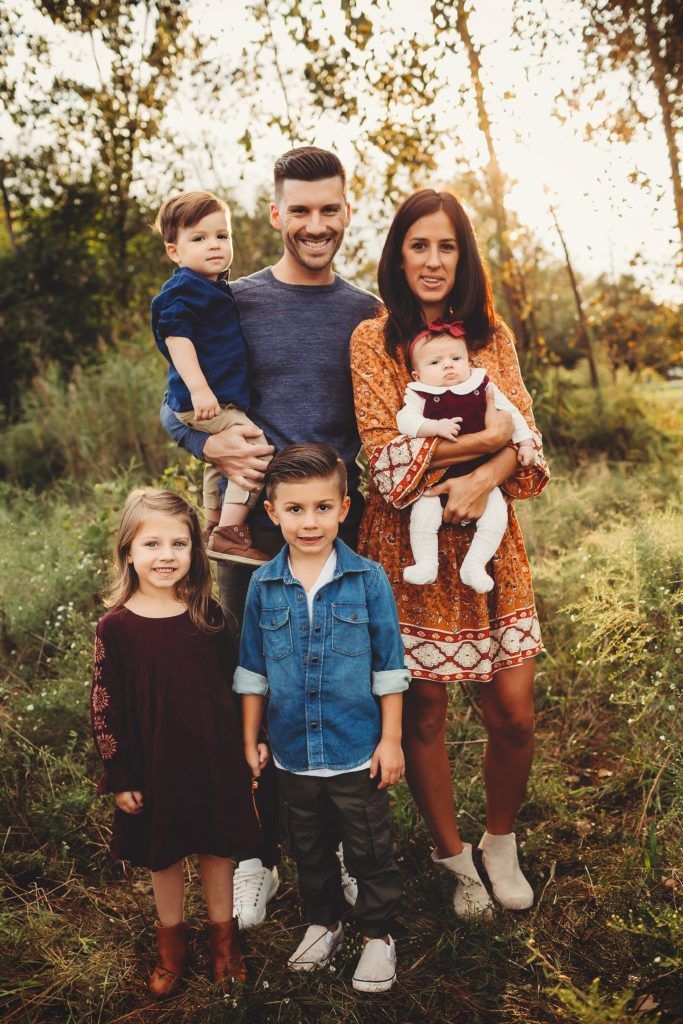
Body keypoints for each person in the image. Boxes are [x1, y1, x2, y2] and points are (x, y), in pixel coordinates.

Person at [160, 147, 381, 927]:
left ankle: (350, 845)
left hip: (339, 535)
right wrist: (203, 444)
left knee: (340, 686)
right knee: (249, 690)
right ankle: (259, 855)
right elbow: (174, 404)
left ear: (347, 210)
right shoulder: (232, 299)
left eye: (329, 209)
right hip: (248, 540)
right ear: (275, 214)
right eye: (300, 210)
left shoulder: (367, 312)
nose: (315, 224)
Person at [350, 189, 550, 918]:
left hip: (493, 556)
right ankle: (454, 860)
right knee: (425, 711)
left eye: (446, 247)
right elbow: (388, 464)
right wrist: (488, 440)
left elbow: (530, 455)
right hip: (408, 551)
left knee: (514, 713)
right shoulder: (373, 341)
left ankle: (500, 841)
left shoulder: (492, 338)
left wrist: (491, 469)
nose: (432, 261)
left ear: (462, 256)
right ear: (396, 256)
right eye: (418, 246)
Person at [233, 443, 409, 993]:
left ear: (344, 507)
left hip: (357, 747)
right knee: (306, 846)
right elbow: (253, 671)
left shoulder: (368, 579)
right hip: (290, 751)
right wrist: (250, 740)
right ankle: (323, 923)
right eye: (295, 509)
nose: (310, 522)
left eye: (322, 508)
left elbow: (389, 668)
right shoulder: (264, 585)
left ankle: (379, 936)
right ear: (272, 512)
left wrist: (392, 741)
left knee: (368, 847)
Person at [90, 488, 261, 996]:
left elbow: (241, 684)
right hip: (153, 763)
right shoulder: (116, 627)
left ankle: (224, 946)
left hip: (213, 757)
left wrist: (256, 740)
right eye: (152, 544)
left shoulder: (209, 617)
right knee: (163, 855)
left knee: (216, 849)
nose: (166, 556)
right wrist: (120, 775)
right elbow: (104, 703)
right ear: (128, 552)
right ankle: (171, 948)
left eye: (179, 544)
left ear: (195, 550)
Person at [151, 190, 270, 565]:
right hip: (203, 400)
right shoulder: (184, 289)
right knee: (254, 447)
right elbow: (177, 339)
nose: (214, 245)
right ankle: (231, 533)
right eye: (199, 238)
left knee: (218, 460)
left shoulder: (213, 288)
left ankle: (213, 521)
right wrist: (201, 392)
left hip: (213, 398)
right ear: (175, 251)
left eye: (222, 236)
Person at [397, 320, 535, 589]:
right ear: (417, 375)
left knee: (496, 515)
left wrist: (525, 442)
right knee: (424, 514)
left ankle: (475, 565)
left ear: (468, 361)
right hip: (436, 478)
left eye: (456, 358)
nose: (448, 365)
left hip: (481, 470)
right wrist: (433, 427)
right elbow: (405, 421)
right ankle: (426, 563)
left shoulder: (482, 386)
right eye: (435, 363)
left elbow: (512, 414)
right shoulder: (420, 395)